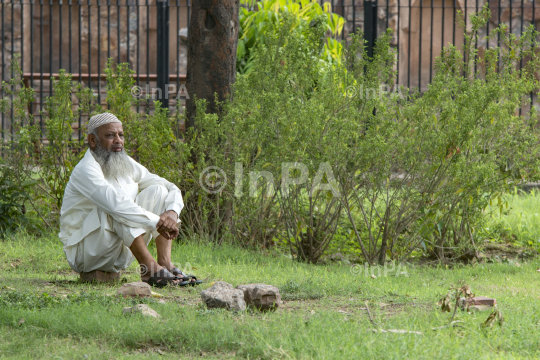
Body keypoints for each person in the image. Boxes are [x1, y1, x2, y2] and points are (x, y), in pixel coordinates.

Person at [59, 112, 201, 287]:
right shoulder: (86, 170)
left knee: (159, 190)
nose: (118, 140)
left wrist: (172, 213)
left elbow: (171, 187)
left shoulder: (126, 163)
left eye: (121, 135)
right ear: (93, 140)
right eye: (110, 135)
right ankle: (149, 268)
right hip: (87, 253)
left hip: (119, 251)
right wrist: (160, 222)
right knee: (117, 206)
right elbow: (117, 206)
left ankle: (164, 262)